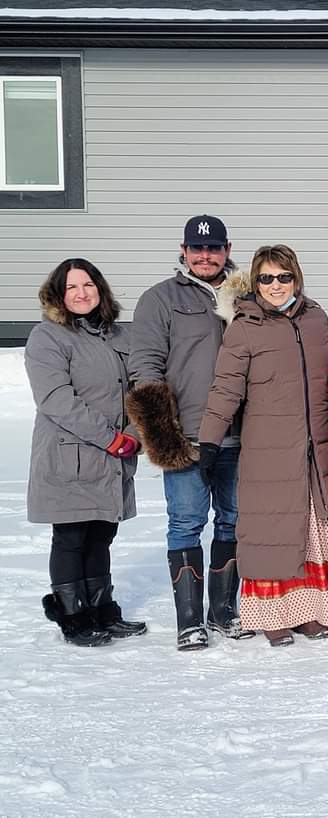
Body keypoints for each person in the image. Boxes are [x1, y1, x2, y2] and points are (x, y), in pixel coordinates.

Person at [199, 244, 328, 647]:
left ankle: (311, 612)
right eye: (266, 278)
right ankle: (272, 615)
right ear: (255, 281)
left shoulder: (316, 320)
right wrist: (209, 441)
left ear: (295, 277)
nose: (275, 285)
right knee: (271, 531)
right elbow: (225, 389)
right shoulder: (245, 326)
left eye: (283, 276)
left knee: (313, 529)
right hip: (267, 448)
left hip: (312, 445)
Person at [127, 215, 254, 651]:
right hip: (189, 436)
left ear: (227, 249)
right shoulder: (160, 299)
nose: (205, 256)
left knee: (234, 520)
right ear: (183, 250)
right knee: (185, 522)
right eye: (197, 249)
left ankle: (223, 611)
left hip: (241, 434)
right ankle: (189, 620)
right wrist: (165, 433)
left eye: (214, 248)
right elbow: (144, 365)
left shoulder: (246, 295)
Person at [26, 259, 147, 647]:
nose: (82, 293)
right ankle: (74, 616)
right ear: (58, 295)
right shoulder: (49, 337)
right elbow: (57, 400)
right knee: (72, 535)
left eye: (88, 284)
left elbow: (136, 388)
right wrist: (109, 437)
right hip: (70, 454)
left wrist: (130, 432)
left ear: (100, 288)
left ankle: (101, 610)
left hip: (112, 456)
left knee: (101, 535)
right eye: (72, 287)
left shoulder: (116, 336)